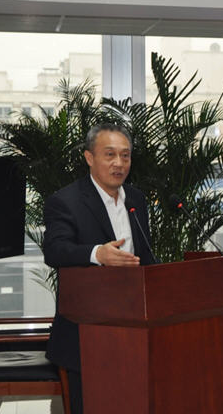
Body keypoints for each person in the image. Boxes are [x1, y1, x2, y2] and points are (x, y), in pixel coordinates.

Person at [43, 124, 154, 413]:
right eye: (110, 155)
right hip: (86, 334)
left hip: (135, 330)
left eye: (125, 156)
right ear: (89, 158)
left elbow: (145, 257)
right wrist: (96, 254)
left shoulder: (137, 200)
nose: (119, 163)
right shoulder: (65, 201)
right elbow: (54, 250)